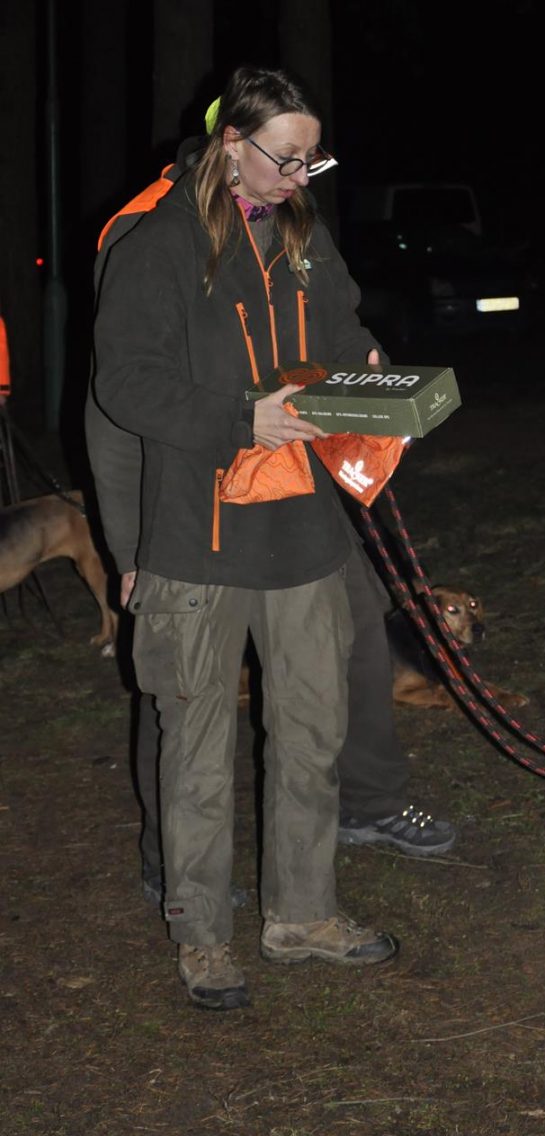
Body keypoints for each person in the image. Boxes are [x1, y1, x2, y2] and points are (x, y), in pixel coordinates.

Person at [88, 64, 453, 1012]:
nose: (303, 175)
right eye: (287, 158)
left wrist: (365, 364)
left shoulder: (303, 232)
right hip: (194, 541)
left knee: (310, 733)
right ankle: (203, 934)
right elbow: (125, 386)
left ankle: (302, 914)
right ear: (229, 148)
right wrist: (240, 422)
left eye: (312, 158)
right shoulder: (157, 245)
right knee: (198, 745)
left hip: (303, 536)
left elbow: (338, 327)